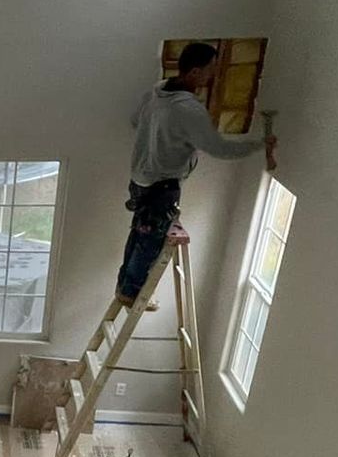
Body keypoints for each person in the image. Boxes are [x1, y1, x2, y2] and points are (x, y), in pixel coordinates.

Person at [116, 42, 277, 308]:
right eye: (210, 69)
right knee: (150, 239)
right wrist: (260, 144)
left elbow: (136, 120)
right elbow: (219, 148)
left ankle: (125, 285)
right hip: (162, 184)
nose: (213, 74)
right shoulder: (188, 109)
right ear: (193, 72)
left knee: (139, 233)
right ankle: (131, 292)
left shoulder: (155, 94)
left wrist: (161, 134)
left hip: (140, 179)